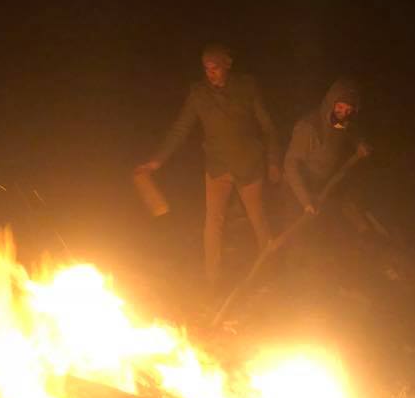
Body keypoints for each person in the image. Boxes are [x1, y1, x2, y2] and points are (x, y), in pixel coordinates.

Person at [138, 44, 281, 284]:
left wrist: (274, 161)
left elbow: (268, 127)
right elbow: (180, 128)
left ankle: (271, 273)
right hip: (217, 166)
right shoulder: (199, 94)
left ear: (227, 64)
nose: (210, 73)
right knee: (213, 223)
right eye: (206, 69)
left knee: (258, 219)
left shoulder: (247, 87)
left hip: (248, 164)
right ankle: (212, 281)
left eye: (215, 68)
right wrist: (156, 161)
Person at [284, 77, 370, 219]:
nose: (343, 114)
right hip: (297, 189)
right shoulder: (309, 128)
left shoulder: (340, 122)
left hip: (323, 187)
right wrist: (305, 201)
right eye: (340, 107)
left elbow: (350, 131)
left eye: (349, 110)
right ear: (331, 103)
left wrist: (359, 143)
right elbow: (290, 165)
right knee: (297, 232)